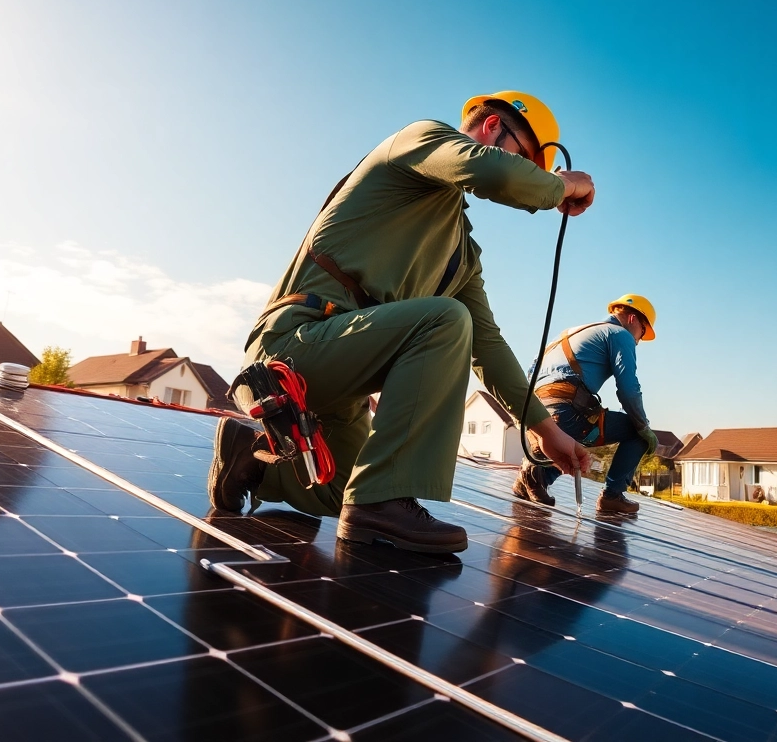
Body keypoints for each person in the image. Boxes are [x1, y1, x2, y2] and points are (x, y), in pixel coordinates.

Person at [207, 91, 597, 554]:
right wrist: (564, 186)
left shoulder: (460, 253)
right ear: (492, 128)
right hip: (292, 348)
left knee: (343, 489)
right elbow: (492, 171)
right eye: (526, 159)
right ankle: (386, 499)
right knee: (445, 321)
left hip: (339, 377)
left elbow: (487, 347)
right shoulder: (419, 141)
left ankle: (249, 462)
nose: (530, 174)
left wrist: (548, 432)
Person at [512, 294, 660, 515]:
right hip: (566, 413)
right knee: (635, 432)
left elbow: (530, 374)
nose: (638, 340)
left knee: (572, 430)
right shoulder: (620, 335)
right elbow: (629, 390)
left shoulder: (574, 332)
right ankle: (613, 496)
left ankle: (536, 475)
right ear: (633, 319)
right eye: (643, 333)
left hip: (536, 414)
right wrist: (644, 427)